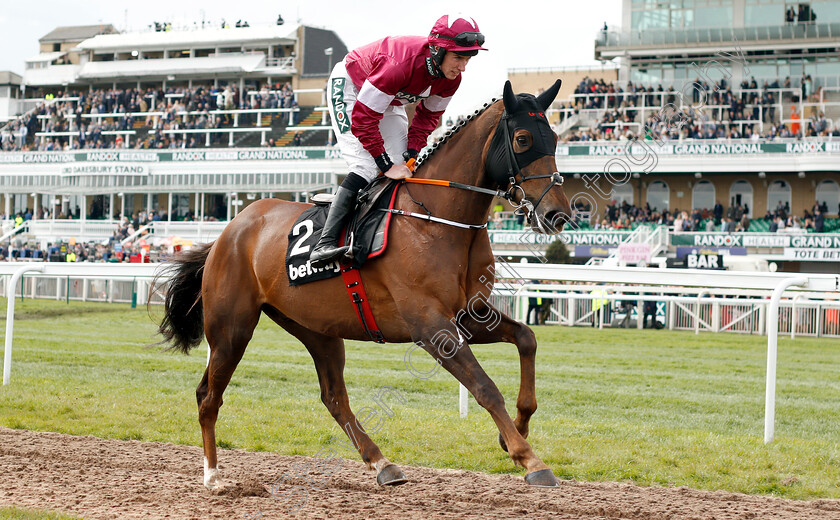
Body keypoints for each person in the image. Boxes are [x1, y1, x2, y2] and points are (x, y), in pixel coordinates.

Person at [310, 14, 487, 267]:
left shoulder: (451, 80)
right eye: (458, 57)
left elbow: (427, 117)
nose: (463, 67)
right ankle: (324, 243)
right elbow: (363, 120)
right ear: (437, 50)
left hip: (390, 97)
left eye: (467, 59)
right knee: (366, 167)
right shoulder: (400, 65)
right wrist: (384, 165)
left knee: (404, 166)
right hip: (353, 87)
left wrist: (412, 151)